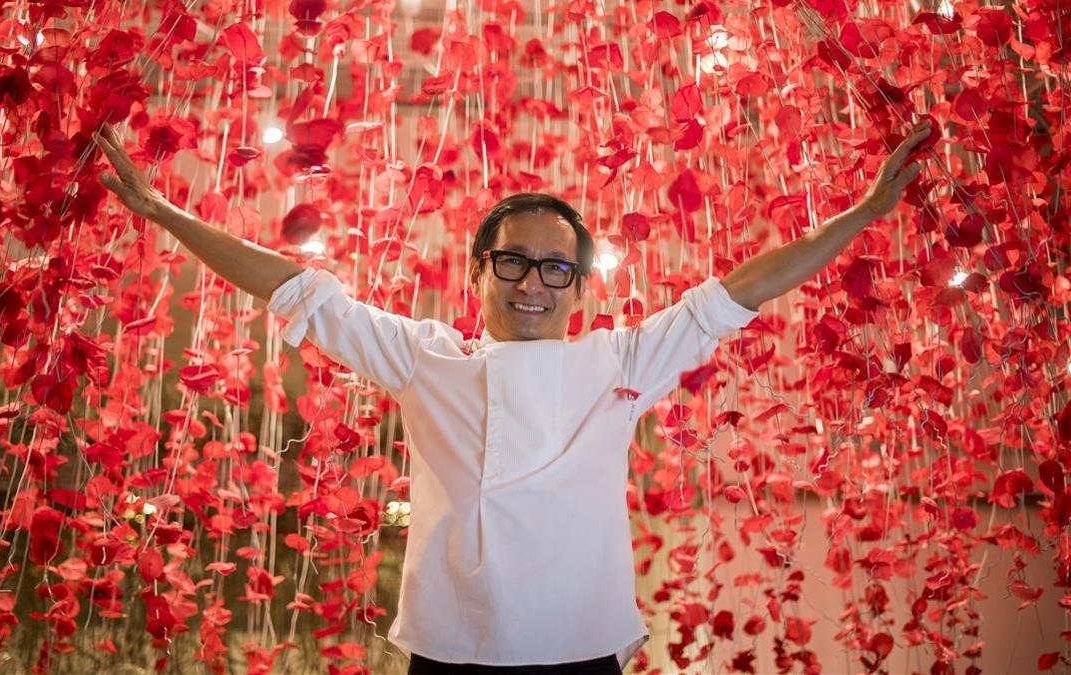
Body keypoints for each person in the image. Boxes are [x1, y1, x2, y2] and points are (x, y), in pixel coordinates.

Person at [94, 119, 932, 674]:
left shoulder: (621, 359)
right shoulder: (427, 357)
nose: (534, 283)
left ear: (579, 287)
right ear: (479, 272)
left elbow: (738, 291)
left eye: (556, 267)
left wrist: (861, 215)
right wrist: (166, 212)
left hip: (579, 646)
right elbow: (299, 291)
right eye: (514, 262)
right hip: (451, 646)